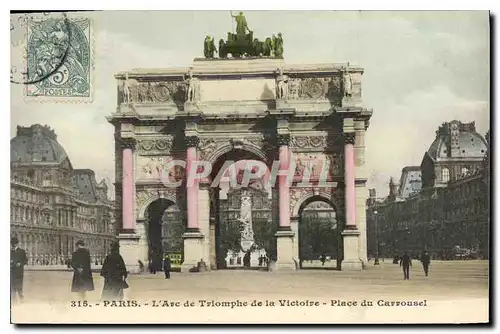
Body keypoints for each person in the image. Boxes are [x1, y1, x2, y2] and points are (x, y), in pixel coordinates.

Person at [11, 236, 27, 304]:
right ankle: (14, 301)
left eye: (14, 244)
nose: (13, 245)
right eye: (12, 244)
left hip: (19, 271)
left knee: (19, 286)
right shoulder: (10, 252)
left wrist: (20, 263)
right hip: (12, 271)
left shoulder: (22, 251)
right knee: (13, 286)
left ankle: (21, 298)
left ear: (16, 244)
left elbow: (25, 260)